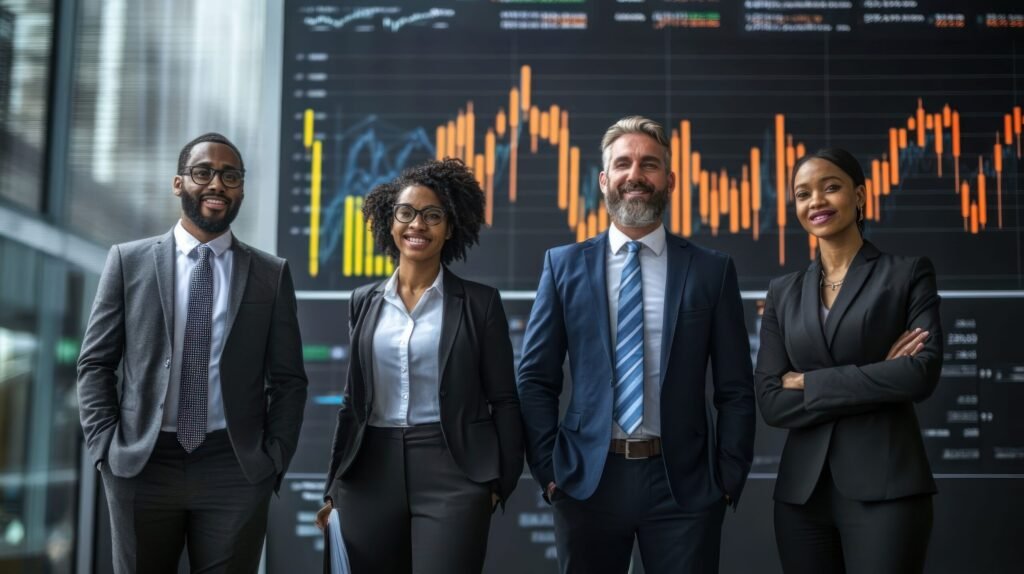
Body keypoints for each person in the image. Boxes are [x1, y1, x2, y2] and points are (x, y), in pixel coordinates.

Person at [517, 116, 755, 574]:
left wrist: (725, 481)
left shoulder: (711, 270)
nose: (635, 175)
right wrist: (551, 474)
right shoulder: (562, 265)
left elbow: (736, 388)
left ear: (669, 179)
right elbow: (534, 379)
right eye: (623, 164)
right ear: (604, 180)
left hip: (684, 486)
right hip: (588, 481)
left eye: (649, 164)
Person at [77, 132, 309, 572]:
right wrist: (105, 449)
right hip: (141, 463)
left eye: (230, 176)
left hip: (234, 466)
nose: (217, 185)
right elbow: (95, 363)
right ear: (178, 183)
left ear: (241, 188)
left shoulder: (270, 274)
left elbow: (288, 380)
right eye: (203, 172)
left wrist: (272, 460)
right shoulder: (128, 261)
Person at [316, 158, 524, 573]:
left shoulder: (479, 304)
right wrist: (331, 487)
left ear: (450, 228)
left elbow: (504, 400)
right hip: (369, 469)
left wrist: (499, 483)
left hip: (453, 470)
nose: (417, 225)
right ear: (389, 223)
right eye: (406, 213)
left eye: (432, 216)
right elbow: (351, 402)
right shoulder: (364, 301)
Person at [755, 148, 942, 574]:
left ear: (859, 196)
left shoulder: (907, 274)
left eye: (830, 187)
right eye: (803, 194)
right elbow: (770, 400)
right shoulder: (783, 291)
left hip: (887, 490)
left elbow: (919, 374)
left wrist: (808, 382)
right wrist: (879, 374)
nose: (815, 201)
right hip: (801, 498)